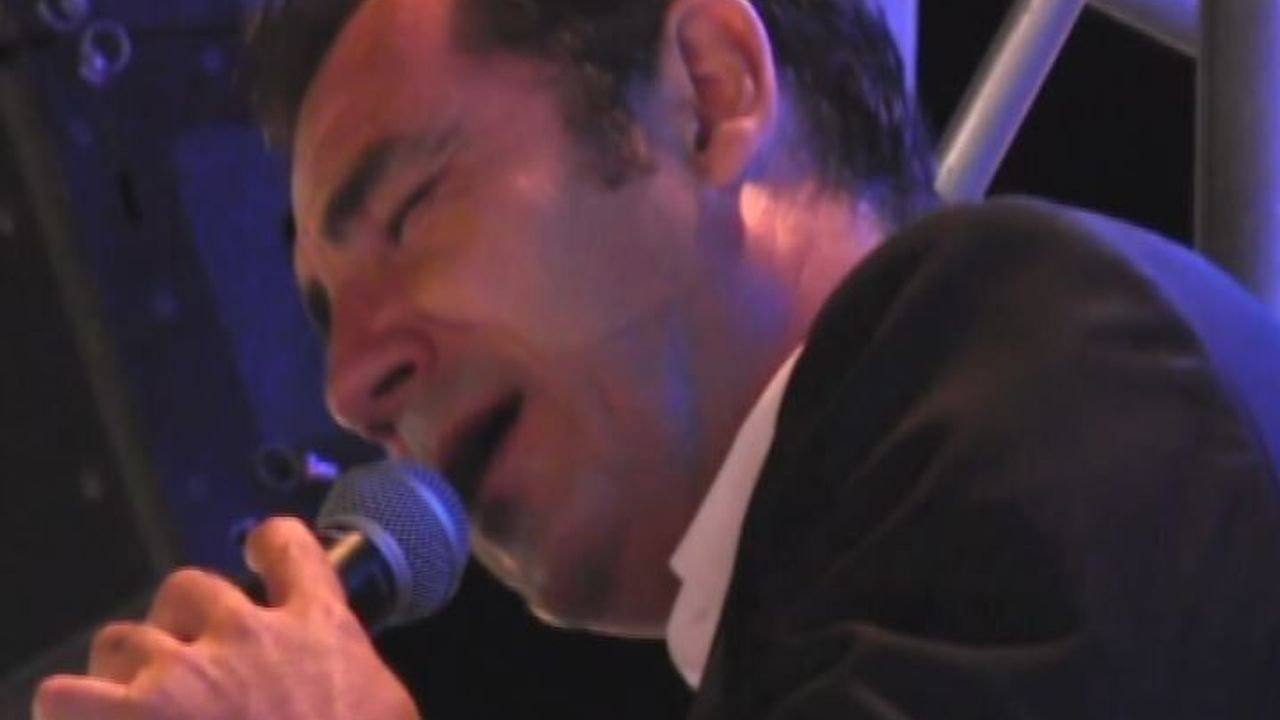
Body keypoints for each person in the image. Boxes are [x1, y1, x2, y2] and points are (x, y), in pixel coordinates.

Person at [32, 0, 1280, 717]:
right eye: (324, 315)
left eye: (410, 211)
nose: (350, 387)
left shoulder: (1040, 358)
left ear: (708, 89)